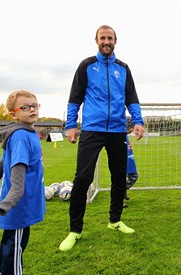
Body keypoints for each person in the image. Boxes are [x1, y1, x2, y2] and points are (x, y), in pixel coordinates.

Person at [60, 25, 145, 251]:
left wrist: (138, 121)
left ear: (116, 41)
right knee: (83, 178)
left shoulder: (123, 68)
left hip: (117, 130)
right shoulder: (86, 66)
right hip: (92, 129)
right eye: (102, 38)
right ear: (96, 40)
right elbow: (74, 99)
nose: (106, 41)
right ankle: (75, 230)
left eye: (110, 38)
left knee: (119, 176)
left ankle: (115, 221)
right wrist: (70, 125)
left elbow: (132, 99)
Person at [0, 90, 46, 275]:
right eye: (26, 107)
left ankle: (2, 273)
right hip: (19, 203)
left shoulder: (22, 133)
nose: (33, 110)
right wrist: (11, 200)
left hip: (18, 201)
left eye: (35, 105)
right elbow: (17, 167)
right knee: (16, 242)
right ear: (13, 114)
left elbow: (2, 163)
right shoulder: (20, 136)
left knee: (10, 240)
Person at [124, 124, 139, 207]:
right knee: (121, 179)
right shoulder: (120, 136)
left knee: (134, 175)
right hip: (123, 160)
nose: (132, 130)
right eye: (132, 128)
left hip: (129, 159)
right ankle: (120, 197)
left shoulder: (125, 136)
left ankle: (123, 191)